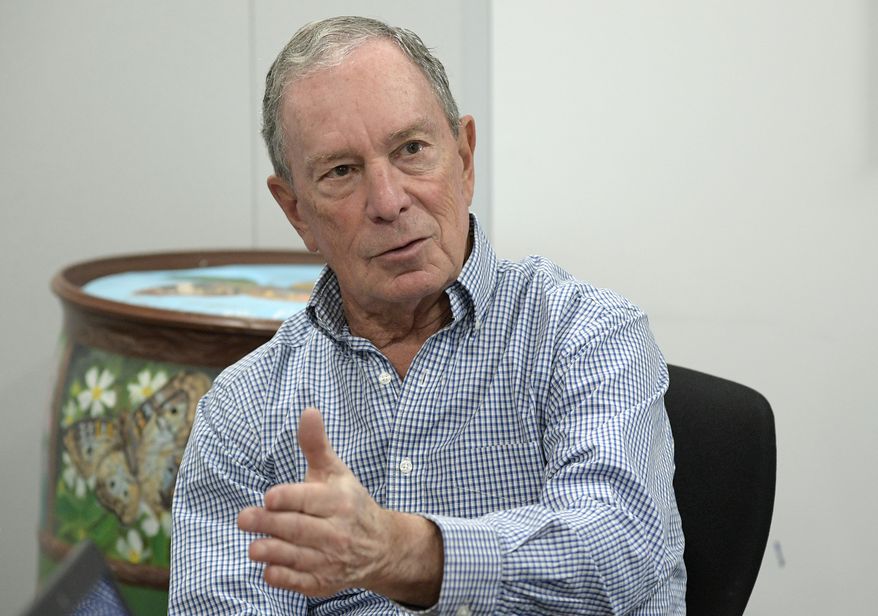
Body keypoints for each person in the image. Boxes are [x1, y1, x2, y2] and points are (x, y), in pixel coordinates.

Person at [169, 15, 686, 615]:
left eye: (411, 150)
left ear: (464, 160)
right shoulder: (243, 411)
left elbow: (619, 552)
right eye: (341, 172)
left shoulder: (587, 333)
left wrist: (402, 553)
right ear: (297, 212)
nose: (388, 202)